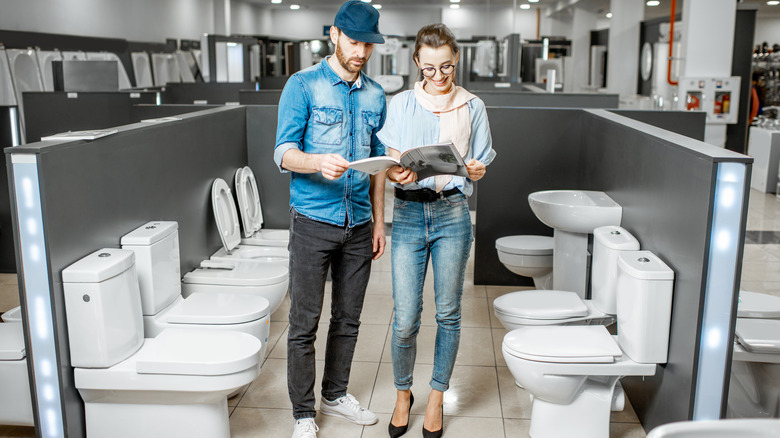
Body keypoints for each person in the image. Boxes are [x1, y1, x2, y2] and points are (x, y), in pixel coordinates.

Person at [273, 2, 387, 437]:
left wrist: (379, 222)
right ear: (335, 35)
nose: (360, 52)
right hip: (312, 222)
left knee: (349, 319)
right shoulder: (302, 86)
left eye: (368, 45)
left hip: (358, 223)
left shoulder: (376, 95)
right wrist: (317, 162)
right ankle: (304, 413)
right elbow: (282, 152)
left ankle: (335, 394)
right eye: (354, 41)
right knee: (304, 324)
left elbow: (377, 168)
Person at [376, 23, 495, 438]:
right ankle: (403, 393)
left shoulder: (473, 105)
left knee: (448, 313)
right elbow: (388, 163)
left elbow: (478, 163)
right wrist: (395, 172)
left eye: (446, 66)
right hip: (408, 216)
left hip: (452, 215)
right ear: (417, 64)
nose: (439, 76)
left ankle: (438, 397)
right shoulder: (401, 104)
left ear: (456, 60)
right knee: (406, 318)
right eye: (429, 69)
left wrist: (477, 169)